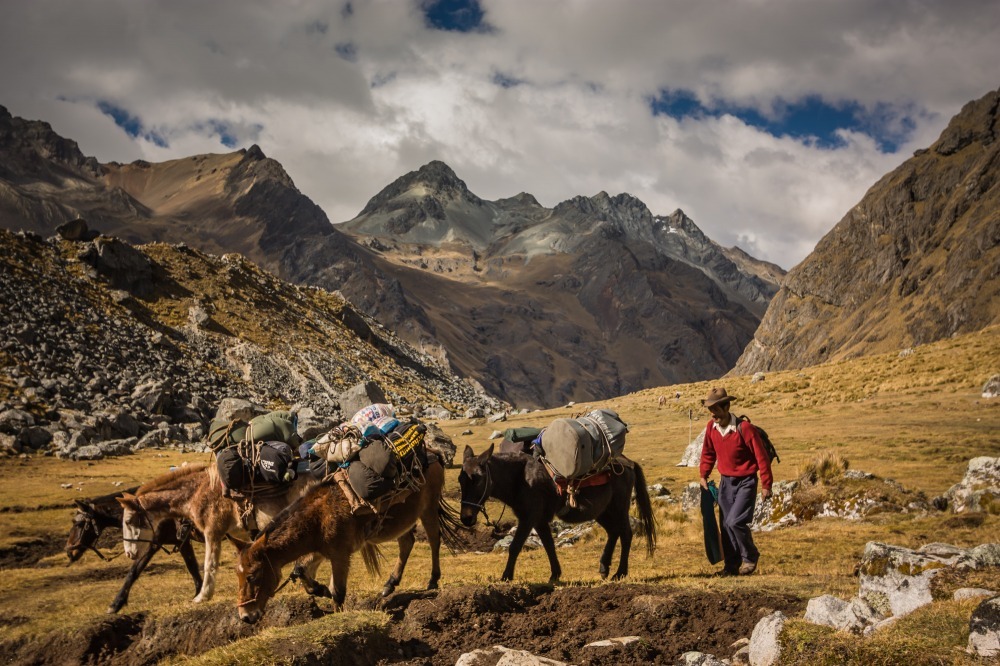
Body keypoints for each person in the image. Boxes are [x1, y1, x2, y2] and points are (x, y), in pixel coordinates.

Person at [699, 387, 772, 576]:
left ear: (726, 407)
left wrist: (766, 485)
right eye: (710, 410)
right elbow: (708, 452)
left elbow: (761, 457)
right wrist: (703, 474)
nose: (712, 414)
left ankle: (750, 556)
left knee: (734, 522)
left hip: (746, 482)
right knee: (725, 526)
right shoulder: (711, 428)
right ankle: (731, 567)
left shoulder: (745, 429)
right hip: (725, 483)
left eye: (715, 409)